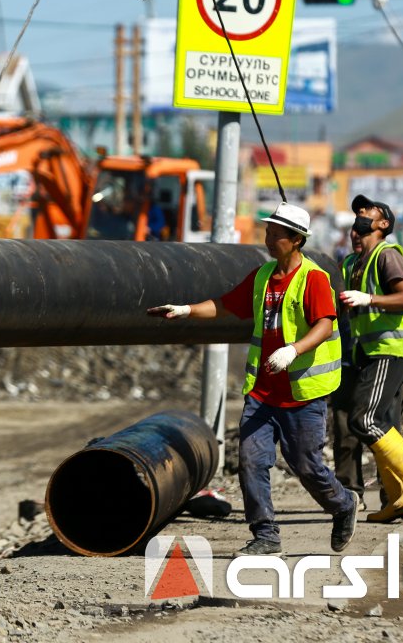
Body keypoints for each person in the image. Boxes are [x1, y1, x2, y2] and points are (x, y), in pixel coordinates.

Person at [147, 202, 357, 556]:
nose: (269, 239)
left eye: (276, 234)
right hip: (262, 393)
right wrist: (185, 310)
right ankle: (265, 534)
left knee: (306, 466)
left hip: (302, 393)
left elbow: (324, 324)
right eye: (268, 232)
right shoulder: (262, 277)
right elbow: (226, 304)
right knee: (251, 460)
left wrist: (292, 350)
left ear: (296, 241)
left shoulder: (314, 279)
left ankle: (342, 504)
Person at [334, 225, 403, 518]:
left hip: (387, 355)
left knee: (381, 423)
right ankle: (349, 495)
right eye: (353, 229)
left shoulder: (400, 262)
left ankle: (395, 496)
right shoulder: (348, 266)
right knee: (346, 428)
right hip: (352, 357)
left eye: (362, 228)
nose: (356, 234)